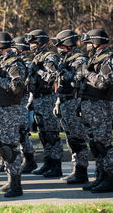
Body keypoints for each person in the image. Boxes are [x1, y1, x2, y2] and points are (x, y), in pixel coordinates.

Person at [0, 31, 26, 197]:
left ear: (0, 46)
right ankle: (10, 180)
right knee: (3, 148)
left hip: (9, 110)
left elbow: (16, 86)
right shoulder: (1, 62)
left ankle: (16, 185)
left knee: (10, 148)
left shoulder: (14, 63)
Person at [51, 30, 89, 184]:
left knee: (78, 139)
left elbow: (77, 81)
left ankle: (82, 172)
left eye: (60, 44)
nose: (58, 48)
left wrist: (61, 71)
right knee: (71, 139)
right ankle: (76, 169)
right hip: (65, 101)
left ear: (67, 44)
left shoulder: (80, 59)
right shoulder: (65, 59)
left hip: (74, 102)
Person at [25, 29, 63, 178]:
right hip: (38, 98)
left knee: (52, 134)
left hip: (48, 98)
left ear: (41, 42)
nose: (31, 45)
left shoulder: (49, 58)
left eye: (33, 42)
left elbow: (54, 77)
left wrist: (39, 71)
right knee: (43, 134)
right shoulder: (37, 57)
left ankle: (56, 164)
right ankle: (48, 162)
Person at [79, 29, 113, 193]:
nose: (88, 47)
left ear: (98, 42)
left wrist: (87, 73)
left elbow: (103, 83)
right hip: (91, 106)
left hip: (101, 106)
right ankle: (101, 175)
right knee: (95, 144)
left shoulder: (108, 59)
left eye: (90, 43)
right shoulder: (94, 58)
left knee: (103, 143)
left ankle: (110, 177)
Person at [11, 36, 38, 173]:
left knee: (22, 132)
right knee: (17, 132)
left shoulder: (26, 63)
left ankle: (29, 160)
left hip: (23, 99)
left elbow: (25, 82)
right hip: (17, 99)